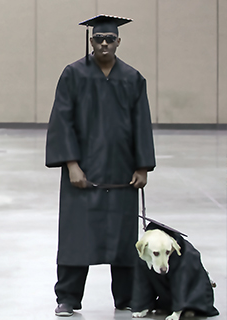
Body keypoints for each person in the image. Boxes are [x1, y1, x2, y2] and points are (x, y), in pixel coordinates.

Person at [45, 14, 156, 317]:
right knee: (75, 237)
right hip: (83, 172)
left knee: (123, 239)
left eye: (110, 39)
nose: (104, 44)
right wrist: (72, 166)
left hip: (121, 172)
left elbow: (141, 124)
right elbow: (62, 122)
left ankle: (127, 297)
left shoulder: (132, 78)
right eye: (98, 39)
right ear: (90, 41)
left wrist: (143, 167)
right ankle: (67, 298)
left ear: (119, 41)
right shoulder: (73, 75)